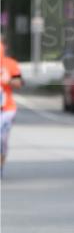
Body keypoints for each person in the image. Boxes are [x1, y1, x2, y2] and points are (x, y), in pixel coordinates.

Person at [1, 39, 23, 176]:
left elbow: (19, 82)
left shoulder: (11, 64)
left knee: (1, 139)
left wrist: (8, 80)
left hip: (6, 110)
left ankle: (1, 165)